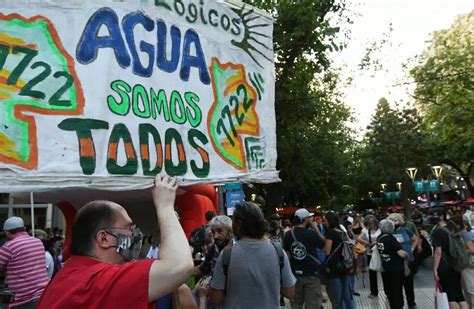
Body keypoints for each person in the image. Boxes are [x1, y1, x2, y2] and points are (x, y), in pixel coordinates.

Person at [38, 175, 194, 309]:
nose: (135, 234)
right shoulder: (98, 281)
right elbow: (179, 265)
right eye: (129, 228)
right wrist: (165, 205)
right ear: (104, 238)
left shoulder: (66, 277)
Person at [207, 202, 296, 308]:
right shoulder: (277, 251)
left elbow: (216, 298)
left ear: (239, 223)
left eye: (233, 221)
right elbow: (289, 292)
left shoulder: (227, 254)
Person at [0, 216, 49, 308]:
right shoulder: (38, 242)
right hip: (42, 294)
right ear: (24, 229)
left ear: (7, 232)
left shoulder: (9, 246)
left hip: (23, 299)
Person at [284, 208, 325, 309]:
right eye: (309, 217)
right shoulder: (311, 233)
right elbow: (324, 244)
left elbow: (288, 255)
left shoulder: (288, 234)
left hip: (295, 275)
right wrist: (315, 228)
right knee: (313, 304)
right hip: (311, 274)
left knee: (295, 304)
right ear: (305, 219)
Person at [432, 215, 469, 309]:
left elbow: (438, 252)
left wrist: (435, 268)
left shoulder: (438, 232)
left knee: (450, 297)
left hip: (444, 266)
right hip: (456, 264)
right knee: (460, 295)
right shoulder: (455, 231)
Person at [387, 213, 418, 309]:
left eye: (395, 220)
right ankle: (399, 304)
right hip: (396, 262)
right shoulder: (388, 233)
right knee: (397, 285)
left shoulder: (406, 230)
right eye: (391, 220)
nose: (393, 222)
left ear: (400, 221)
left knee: (409, 284)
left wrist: (412, 248)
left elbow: (416, 239)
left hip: (408, 260)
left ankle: (411, 303)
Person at [322, 212, 352, 309]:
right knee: (346, 293)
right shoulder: (341, 231)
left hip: (333, 267)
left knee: (336, 296)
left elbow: (327, 251)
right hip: (343, 265)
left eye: (324, 220)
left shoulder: (330, 233)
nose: (323, 223)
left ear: (329, 221)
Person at [377, 219, 407, 309]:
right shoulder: (390, 238)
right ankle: (397, 306)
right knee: (397, 289)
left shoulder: (380, 237)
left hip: (386, 267)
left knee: (390, 289)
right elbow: (401, 253)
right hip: (396, 268)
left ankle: (393, 305)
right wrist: (406, 253)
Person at [357, 215, 381, 298]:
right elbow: (359, 238)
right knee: (372, 273)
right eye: (369, 223)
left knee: (385, 272)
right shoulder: (365, 230)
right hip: (370, 253)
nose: (371, 225)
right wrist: (367, 242)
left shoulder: (380, 229)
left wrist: (376, 242)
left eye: (372, 223)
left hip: (380, 252)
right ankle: (374, 292)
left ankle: (388, 292)